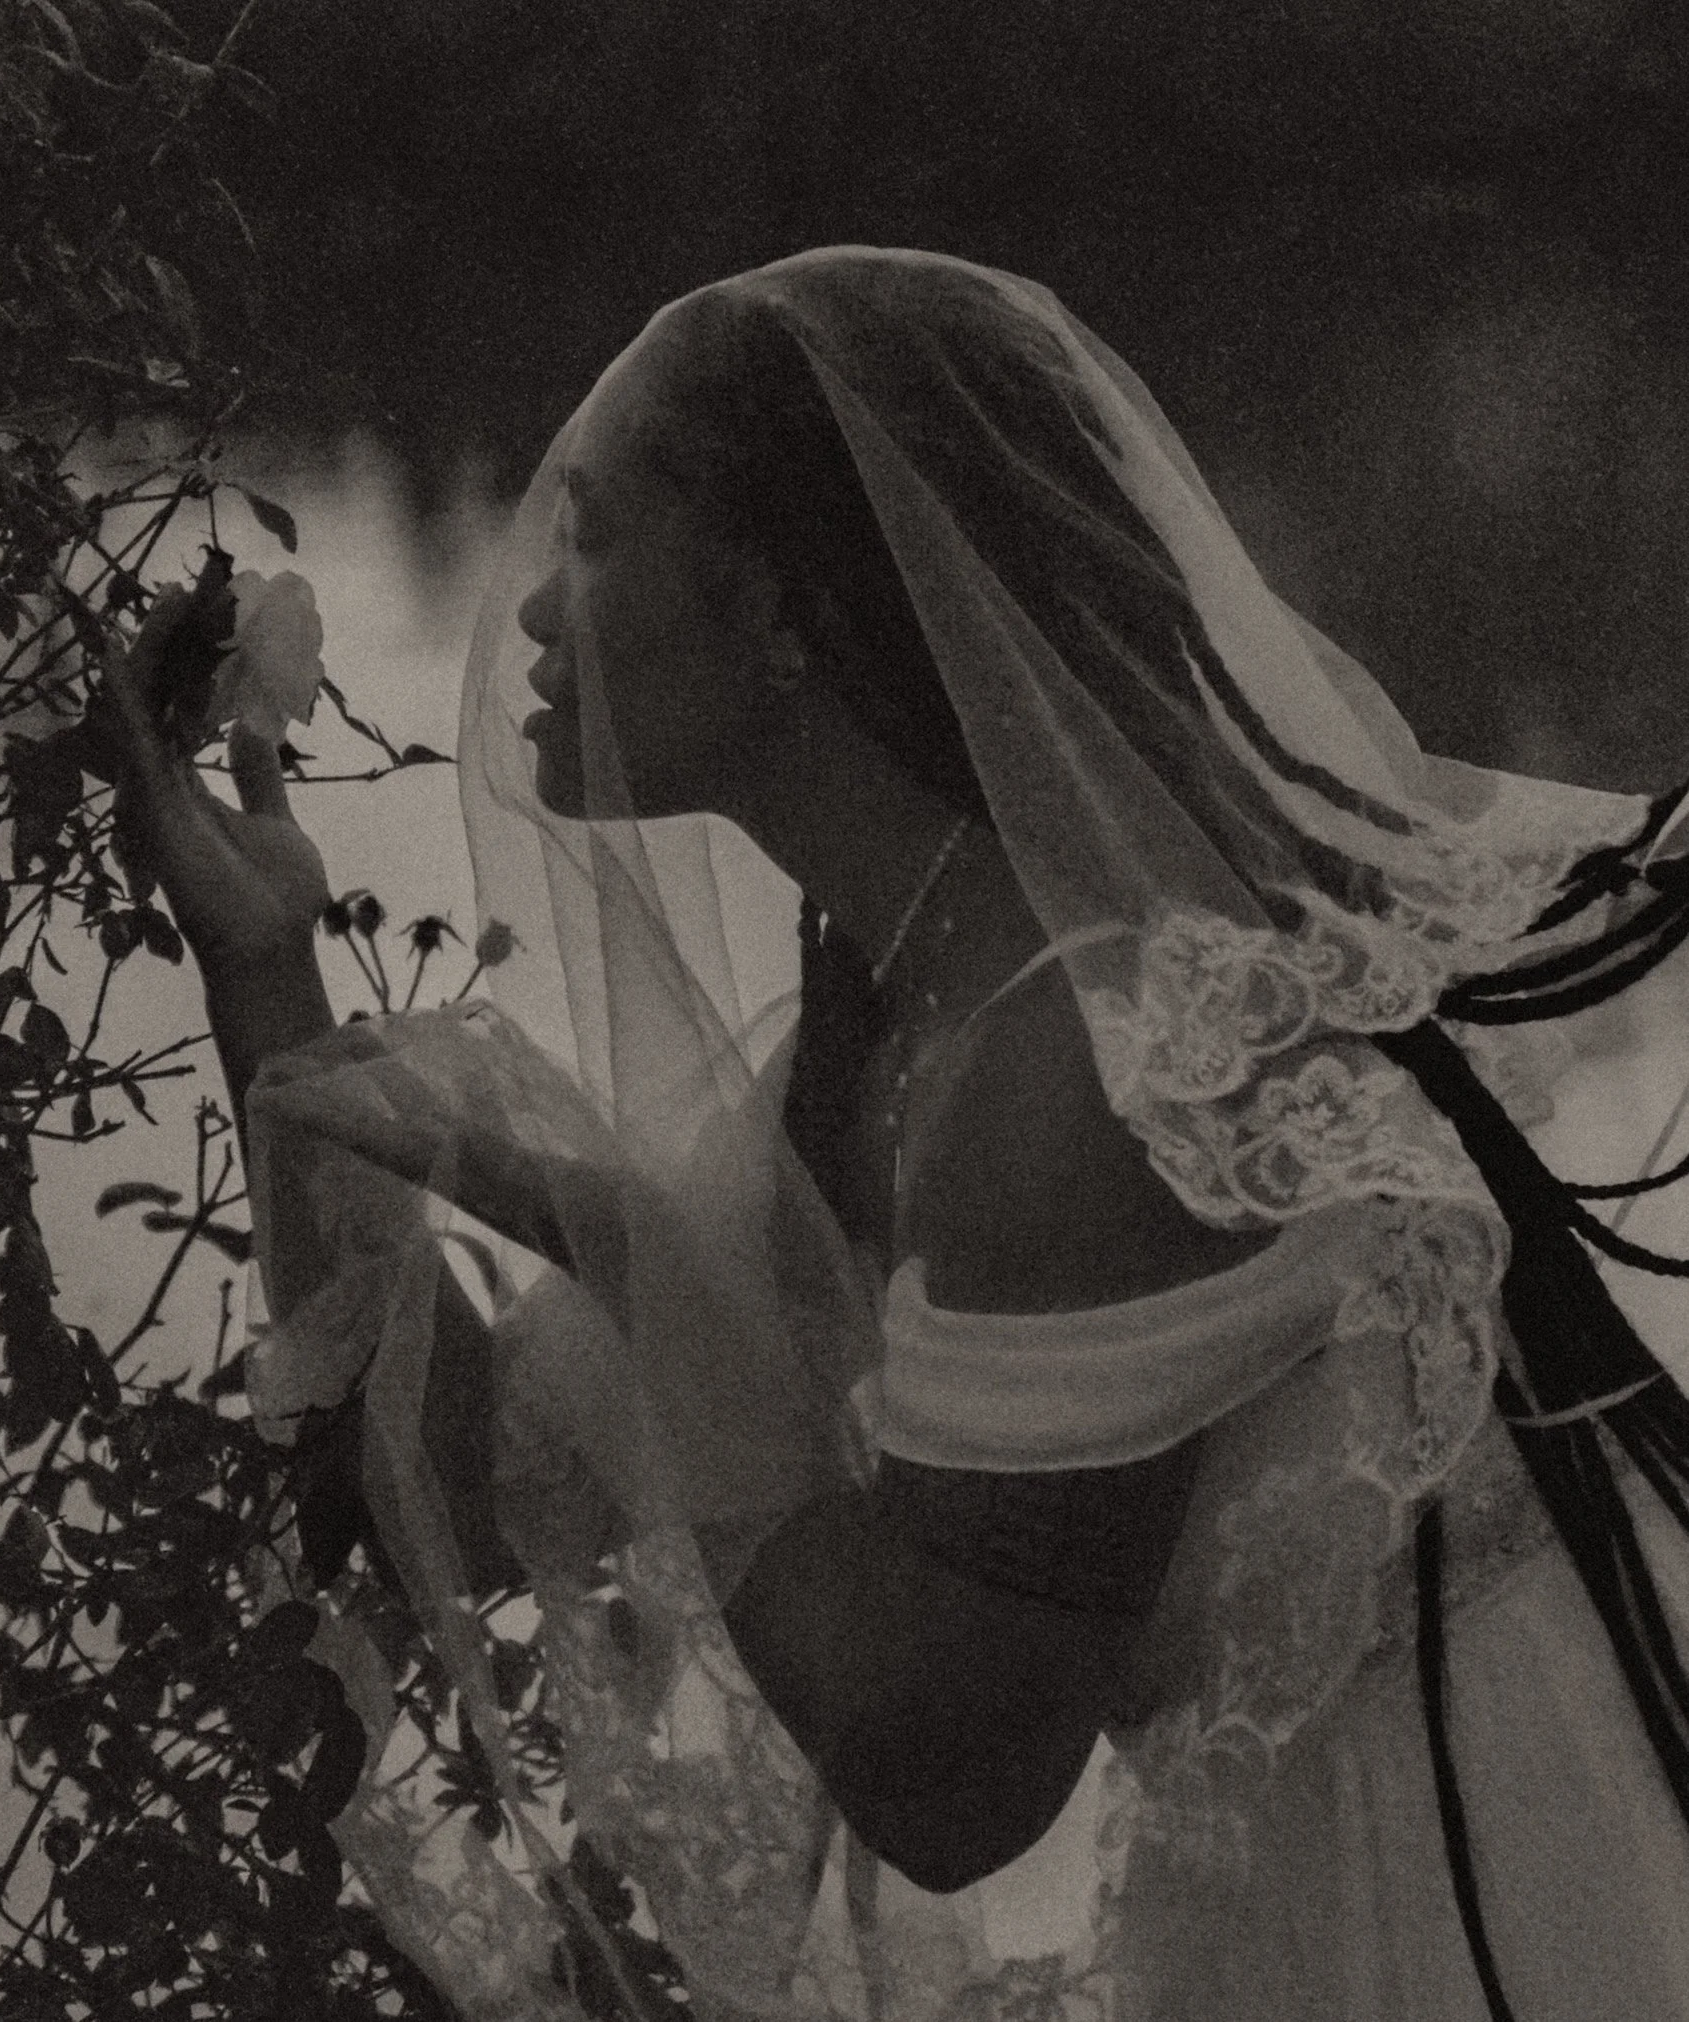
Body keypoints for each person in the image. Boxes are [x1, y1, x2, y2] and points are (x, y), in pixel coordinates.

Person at [104, 249, 1689, 2021]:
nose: (534, 612)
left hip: (1495, 1877)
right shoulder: (897, 1022)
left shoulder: (1073, 1071)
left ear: (788, 605)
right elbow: (475, 1495)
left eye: (596, 535)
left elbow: (948, 1784)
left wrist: (627, 1234)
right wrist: (265, 976)